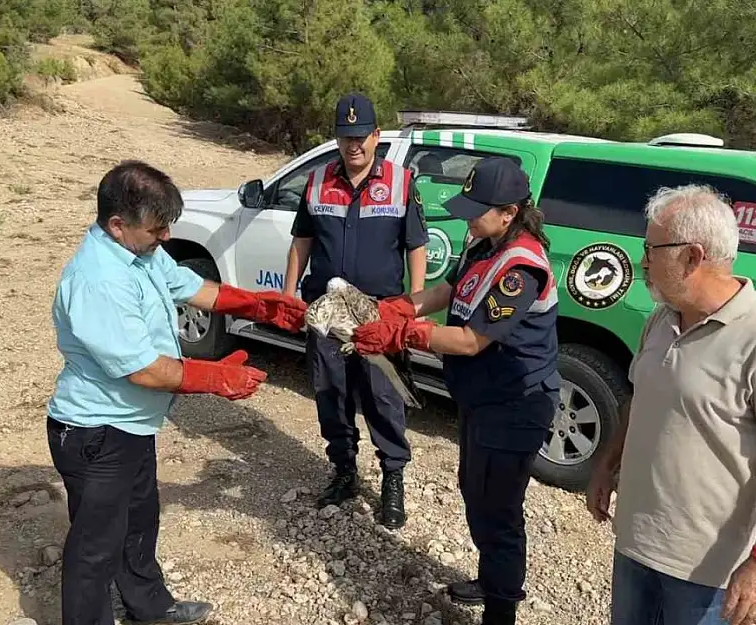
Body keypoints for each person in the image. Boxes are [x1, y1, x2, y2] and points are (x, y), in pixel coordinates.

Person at [47, 160, 307, 625]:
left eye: (168, 226)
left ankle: (150, 607)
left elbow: (192, 287)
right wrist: (213, 378)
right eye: (156, 228)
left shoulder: (141, 252)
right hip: (97, 430)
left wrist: (259, 305)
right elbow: (143, 370)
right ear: (117, 224)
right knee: (96, 548)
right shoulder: (98, 279)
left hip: (132, 425)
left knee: (139, 522)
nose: (165, 237)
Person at [585, 184, 756, 625]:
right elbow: (640, 396)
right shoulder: (661, 318)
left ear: (692, 256)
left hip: (706, 571)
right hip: (635, 544)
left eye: (651, 249)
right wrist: (605, 465)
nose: (643, 261)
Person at [350, 156, 560, 625]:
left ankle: (500, 607)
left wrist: (404, 335)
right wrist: (399, 307)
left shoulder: (519, 268)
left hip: (515, 403)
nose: (468, 216)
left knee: (499, 508)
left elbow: (470, 340)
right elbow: (447, 291)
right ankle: (491, 579)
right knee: (475, 490)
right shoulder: (484, 242)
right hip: (482, 398)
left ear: (509, 212)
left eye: (476, 208)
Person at [283, 92, 428, 529]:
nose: (354, 146)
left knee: (383, 397)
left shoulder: (401, 182)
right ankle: (344, 469)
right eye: (347, 138)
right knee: (331, 393)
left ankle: (392, 478)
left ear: (377, 136)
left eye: (362, 136)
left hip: (379, 313)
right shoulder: (317, 181)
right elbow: (302, 242)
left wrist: (413, 308)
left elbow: (415, 246)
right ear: (337, 138)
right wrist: (290, 295)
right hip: (327, 312)